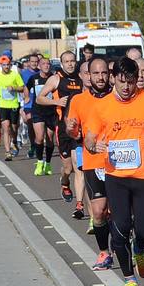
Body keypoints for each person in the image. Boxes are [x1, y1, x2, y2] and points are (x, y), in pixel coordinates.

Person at [81, 58, 144, 286]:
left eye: (130, 82)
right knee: (119, 229)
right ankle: (129, 279)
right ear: (113, 79)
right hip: (115, 176)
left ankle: (140, 247)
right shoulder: (102, 106)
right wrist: (94, 145)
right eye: (121, 82)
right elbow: (89, 137)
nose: (127, 87)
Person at [66, 56, 116, 267]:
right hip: (93, 162)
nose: (100, 77)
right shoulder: (78, 100)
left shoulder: (118, 97)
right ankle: (104, 252)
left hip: (118, 162)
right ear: (88, 75)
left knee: (120, 211)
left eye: (104, 73)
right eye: (95, 73)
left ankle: (126, 243)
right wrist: (71, 129)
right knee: (98, 212)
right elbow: (75, 133)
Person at [37, 51, 85, 213]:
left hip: (78, 129)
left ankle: (79, 204)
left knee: (79, 167)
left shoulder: (81, 78)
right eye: (67, 61)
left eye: (72, 61)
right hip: (62, 128)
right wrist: (56, 101)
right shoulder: (56, 79)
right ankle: (64, 182)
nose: (70, 64)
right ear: (62, 63)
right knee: (67, 168)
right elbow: (39, 98)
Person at [0, 55, 26, 161]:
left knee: (14, 128)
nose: (6, 67)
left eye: (8, 65)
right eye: (4, 65)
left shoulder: (15, 75)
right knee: (6, 127)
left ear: (10, 65)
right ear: (1, 65)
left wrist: (14, 88)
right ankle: (7, 152)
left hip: (14, 105)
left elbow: (22, 88)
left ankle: (14, 141)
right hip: (2, 105)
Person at [28, 57, 58, 176]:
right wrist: (26, 98)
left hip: (51, 111)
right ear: (39, 66)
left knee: (50, 139)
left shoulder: (54, 78)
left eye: (48, 64)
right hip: (38, 111)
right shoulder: (34, 78)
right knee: (39, 137)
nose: (46, 65)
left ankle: (48, 163)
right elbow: (26, 87)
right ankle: (40, 161)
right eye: (43, 64)